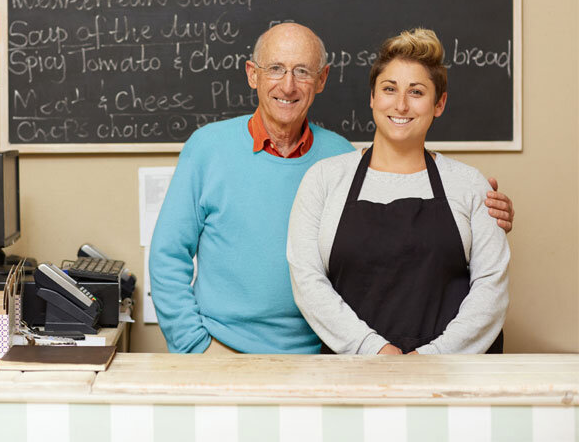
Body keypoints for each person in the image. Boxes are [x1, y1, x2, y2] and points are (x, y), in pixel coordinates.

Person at [150, 23, 514, 354]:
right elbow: (167, 256)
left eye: (303, 71)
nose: (288, 85)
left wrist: (474, 198)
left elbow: (402, 162)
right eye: (275, 68)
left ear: (322, 79)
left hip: (322, 356)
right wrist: (196, 346)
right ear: (252, 74)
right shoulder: (209, 148)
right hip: (224, 350)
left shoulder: (339, 155)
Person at [287, 28, 508, 354]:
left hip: (453, 376)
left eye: (416, 92)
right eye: (389, 89)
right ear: (373, 98)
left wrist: (432, 357)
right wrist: (374, 350)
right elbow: (307, 282)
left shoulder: (470, 184)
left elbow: (491, 287)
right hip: (354, 374)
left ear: (439, 103)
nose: (401, 105)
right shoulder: (324, 179)